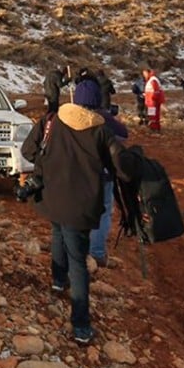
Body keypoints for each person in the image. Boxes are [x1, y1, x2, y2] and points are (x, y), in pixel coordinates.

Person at [20, 92, 126, 345]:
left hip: (53, 196)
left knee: (58, 232)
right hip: (82, 204)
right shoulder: (101, 131)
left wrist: (51, 164)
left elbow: (28, 151)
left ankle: (58, 281)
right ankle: (81, 326)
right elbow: (120, 167)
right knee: (78, 261)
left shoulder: (51, 121)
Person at [73, 80, 128, 269]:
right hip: (103, 175)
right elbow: (123, 135)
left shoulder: (70, 118)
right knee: (103, 212)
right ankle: (96, 252)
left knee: (78, 210)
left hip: (77, 174)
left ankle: (76, 250)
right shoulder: (105, 119)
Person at [142, 68, 165, 132]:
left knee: (152, 115)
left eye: (145, 74)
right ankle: (155, 128)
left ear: (148, 73)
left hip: (152, 102)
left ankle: (154, 128)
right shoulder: (151, 80)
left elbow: (156, 91)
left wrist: (152, 98)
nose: (144, 75)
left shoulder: (153, 80)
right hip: (151, 101)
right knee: (154, 115)